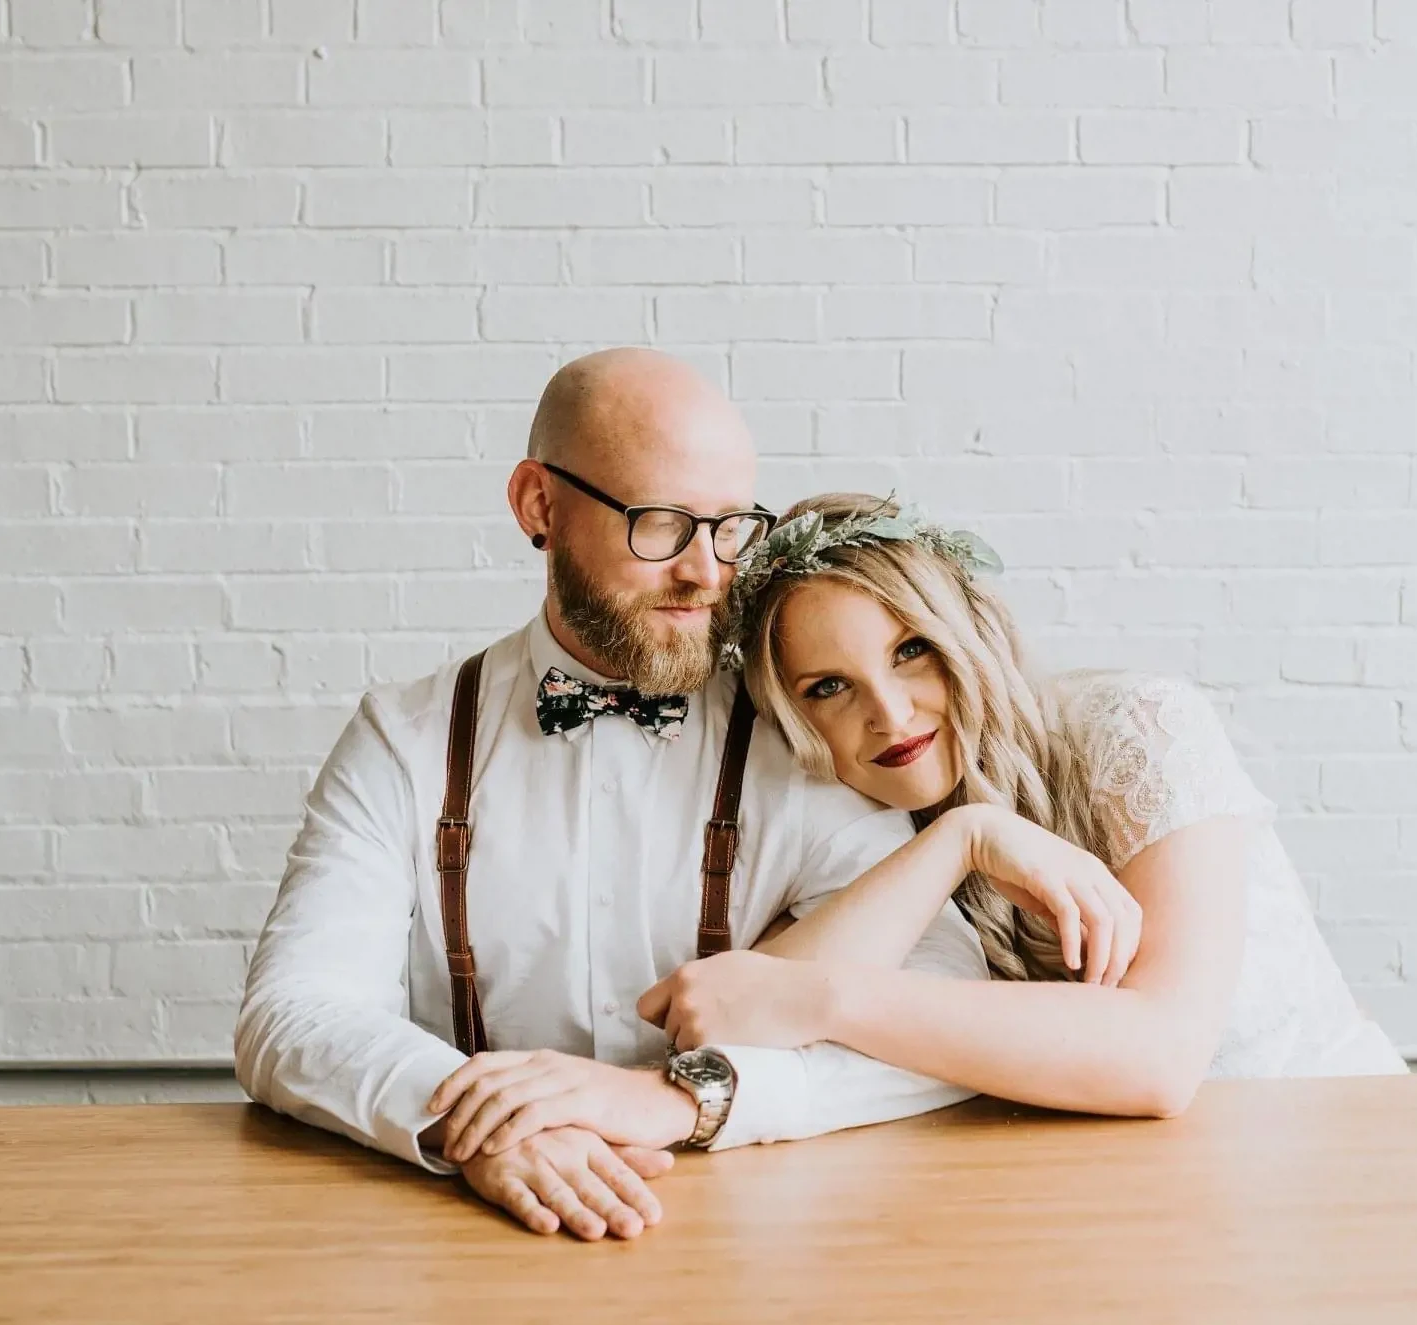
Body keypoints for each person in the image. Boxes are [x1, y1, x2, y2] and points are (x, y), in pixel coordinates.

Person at [233, 354, 984, 1244]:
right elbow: (293, 1014)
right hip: (472, 1237)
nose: (708, 572)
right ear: (537, 507)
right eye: (661, 524)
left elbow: (941, 1002)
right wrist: (484, 1124)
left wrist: (680, 1100)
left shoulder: (799, 725)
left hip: (762, 1238)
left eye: (731, 526)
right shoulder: (403, 739)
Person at [632, 493, 1407, 1120]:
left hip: (1335, 1144)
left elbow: (1162, 1059)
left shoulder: (1136, 726)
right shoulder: (864, 829)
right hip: (1118, 1197)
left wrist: (826, 997)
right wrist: (961, 840)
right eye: (828, 688)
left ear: (964, 632)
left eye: (911, 650)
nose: (891, 715)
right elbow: (727, 1013)